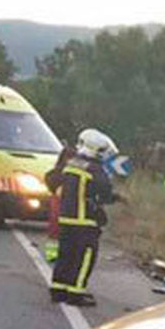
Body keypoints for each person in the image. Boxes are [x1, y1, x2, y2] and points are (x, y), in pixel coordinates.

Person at [48, 129, 118, 306]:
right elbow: (105, 193)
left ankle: (58, 290)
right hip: (85, 221)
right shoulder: (95, 170)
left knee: (65, 256)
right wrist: (116, 198)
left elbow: (52, 179)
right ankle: (76, 293)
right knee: (84, 258)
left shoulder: (72, 164)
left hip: (65, 219)